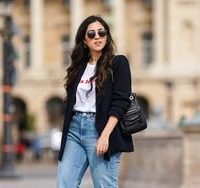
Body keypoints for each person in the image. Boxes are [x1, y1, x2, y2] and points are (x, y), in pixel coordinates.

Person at [57, 15, 134, 188]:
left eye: (101, 32)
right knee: (65, 183)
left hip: (101, 129)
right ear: (84, 40)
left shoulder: (118, 63)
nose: (97, 37)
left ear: (107, 36)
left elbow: (121, 101)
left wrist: (105, 135)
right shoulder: (78, 66)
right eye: (91, 34)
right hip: (74, 129)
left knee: (104, 185)